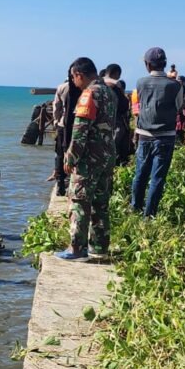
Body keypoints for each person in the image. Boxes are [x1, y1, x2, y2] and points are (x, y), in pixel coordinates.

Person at [55, 57, 118, 260]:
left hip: (89, 158)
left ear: (79, 75)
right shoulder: (109, 92)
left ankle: (76, 248)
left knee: (80, 201)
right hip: (107, 155)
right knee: (101, 203)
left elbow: (80, 131)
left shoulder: (89, 94)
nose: (74, 83)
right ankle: (99, 247)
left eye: (74, 78)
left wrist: (70, 158)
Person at [130, 47, 183, 218]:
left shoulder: (140, 83)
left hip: (144, 134)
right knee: (157, 177)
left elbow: (137, 105)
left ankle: (135, 208)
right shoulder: (175, 85)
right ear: (165, 63)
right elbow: (179, 105)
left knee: (140, 174)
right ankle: (149, 215)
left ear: (147, 64)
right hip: (166, 135)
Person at [48, 67, 73, 196]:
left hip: (63, 125)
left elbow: (56, 108)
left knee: (60, 153)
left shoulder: (62, 87)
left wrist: (57, 122)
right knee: (75, 152)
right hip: (78, 125)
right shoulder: (84, 88)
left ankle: (60, 184)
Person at [102, 64, 133, 166]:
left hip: (98, 122)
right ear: (116, 73)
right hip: (115, 121)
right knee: (115, 146)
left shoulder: (95, 83)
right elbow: (123, 105)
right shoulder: (115, 85)